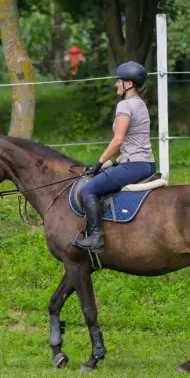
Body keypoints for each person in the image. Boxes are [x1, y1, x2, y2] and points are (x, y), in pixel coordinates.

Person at [74, 61, 156, 253]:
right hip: (146, 163)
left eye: (119, 81)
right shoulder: (140, 105)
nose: (116, 85)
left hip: (134, 165)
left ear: (129, 84)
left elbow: (118, 141)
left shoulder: (125, 106)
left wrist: (99, 162)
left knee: (89, 189)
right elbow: (131, 145)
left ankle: (96, 238)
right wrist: (108, 165)